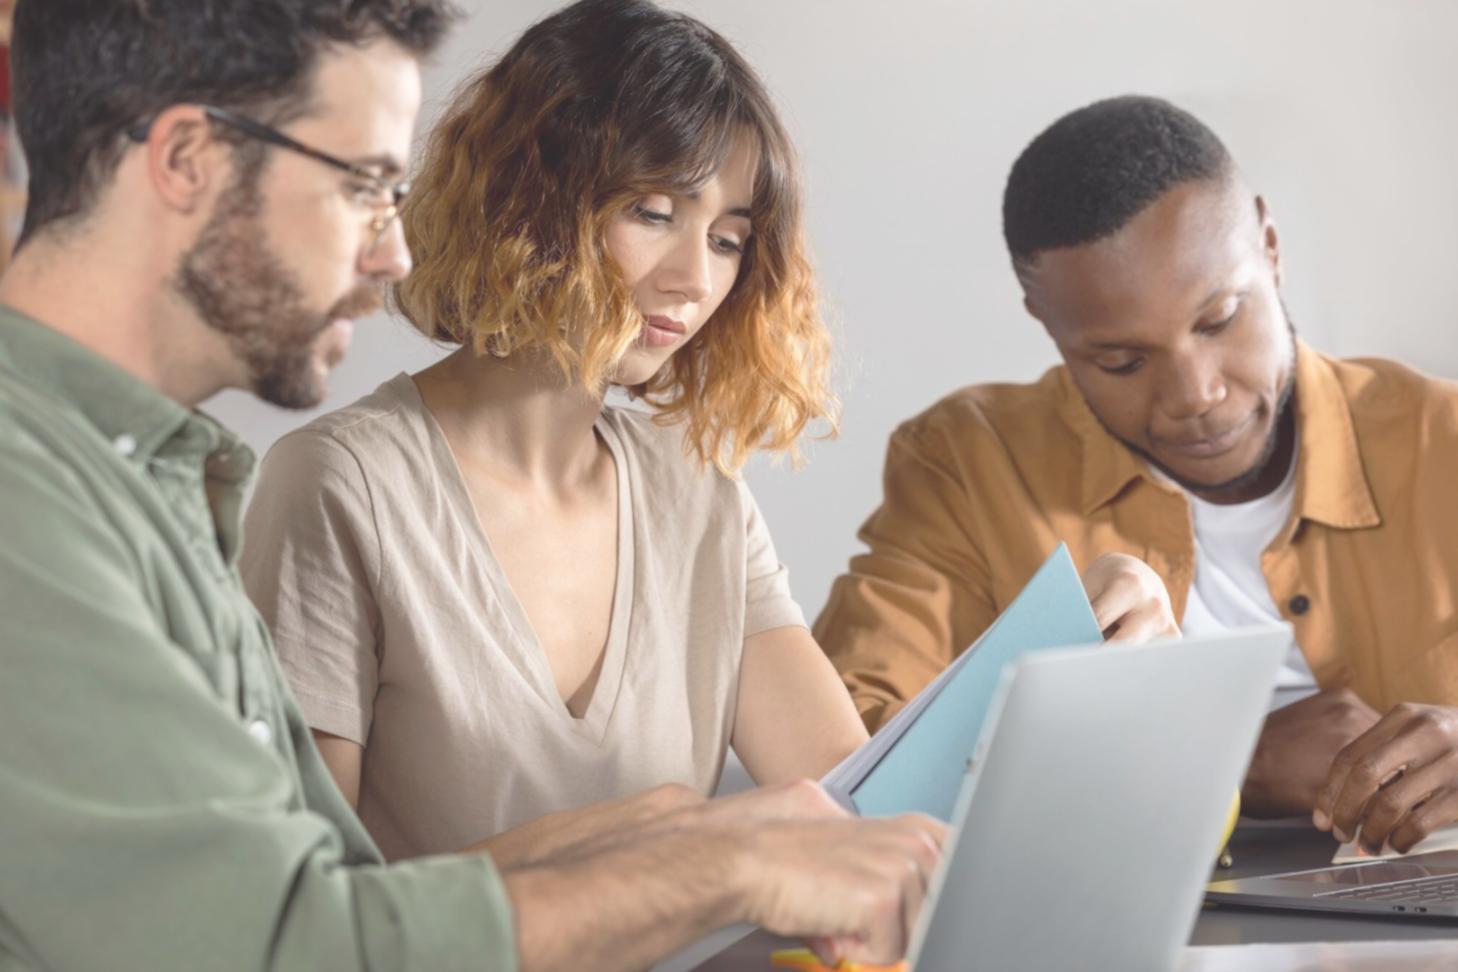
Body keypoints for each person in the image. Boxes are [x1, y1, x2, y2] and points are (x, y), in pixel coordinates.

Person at [0, 1, 947, 969]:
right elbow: (285, 941)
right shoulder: (42, 505)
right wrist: (708, 867)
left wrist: (668, 838)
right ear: (188, 160)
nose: (395, 252)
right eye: (361, 186)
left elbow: (312, 891)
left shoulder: (159, 484)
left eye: (727, 237)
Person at [239, 0, 1177, 868]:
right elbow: (308, 905)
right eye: (652, 212)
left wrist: (1055, 652)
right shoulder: (339, 484)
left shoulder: (698, 494)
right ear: (523, 198)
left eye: (728, 238)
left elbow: (865, 812)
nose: (693, 277)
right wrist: (659, 864)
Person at [815, 94, 1458, 857]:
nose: (1196, 395)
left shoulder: (1439, 441)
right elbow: (847, 766)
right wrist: (1226, 759)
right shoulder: (968, 463)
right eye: (1122, 361)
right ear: (1045, 321)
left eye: (1219, 320)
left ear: (1272, 246)